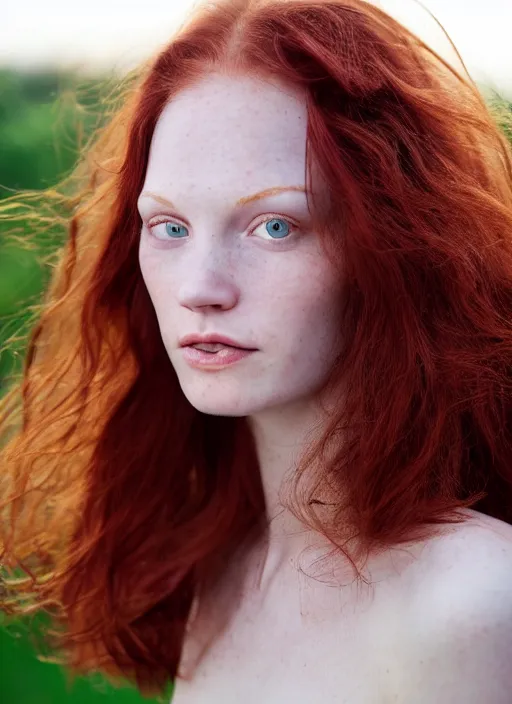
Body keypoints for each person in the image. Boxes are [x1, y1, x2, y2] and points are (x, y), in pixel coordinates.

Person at [1, 0, 512, 701]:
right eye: (170, 226)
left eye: (274, 226)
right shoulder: (225, 570)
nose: (201, 288)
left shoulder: (470, 599)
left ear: (397, 246)